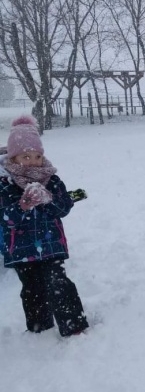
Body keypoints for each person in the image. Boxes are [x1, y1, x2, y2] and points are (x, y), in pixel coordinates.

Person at [0, 116, 89, 336]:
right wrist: (22, 206)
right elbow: (5, 220)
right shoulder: (6, 184)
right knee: (32, 289)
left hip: (51, 245)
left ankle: (74, 325)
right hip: (21, 250)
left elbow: (64, 208)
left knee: (59, 283)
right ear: (13, 157)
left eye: (37, 156)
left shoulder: (52, 180)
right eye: (26, 156)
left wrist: (49, 199)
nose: (32, 161)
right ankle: (40, 328)